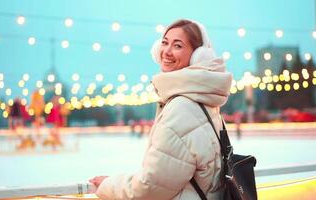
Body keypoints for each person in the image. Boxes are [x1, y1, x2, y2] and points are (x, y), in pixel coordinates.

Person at [90, 19, 232, 200]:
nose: (167, 51)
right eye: (164, 43)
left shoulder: (182, 109)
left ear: (198, 56)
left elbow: (149, 188)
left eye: (178, 45)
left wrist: (107, 185)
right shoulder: (204, 102)